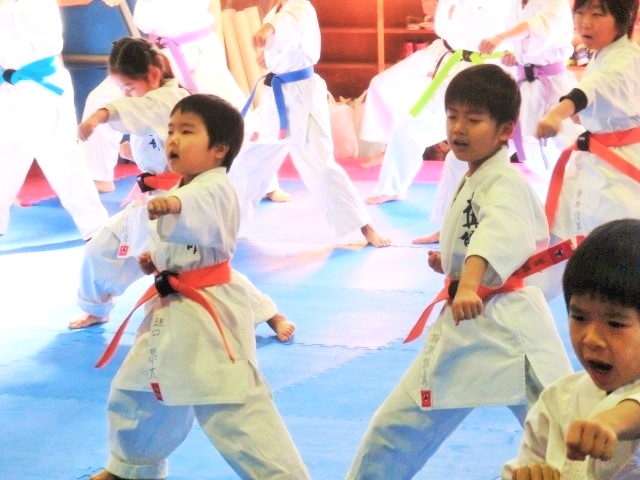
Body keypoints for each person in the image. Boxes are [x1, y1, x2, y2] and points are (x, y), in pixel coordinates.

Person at [346, 64, 573, 479]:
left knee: (565, 431)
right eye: (453, 117)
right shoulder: (474, 176)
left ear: (505, 129)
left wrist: (467, 281)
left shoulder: (504, 181)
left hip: (509, 326)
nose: (459, 129)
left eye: (474, 119)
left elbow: (495, 232)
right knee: (395, 429)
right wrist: (450, 266)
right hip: (466, 323)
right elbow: (476, 239)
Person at [88, 93, 310, 480]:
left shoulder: (213, 187)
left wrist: (170, 205)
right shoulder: (187, 184)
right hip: (171, 309)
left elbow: (194, 206)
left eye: (187, 131)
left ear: (219, 149)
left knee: (233, 408)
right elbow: (188, 238)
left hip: (209, 316)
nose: (173, 139)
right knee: (139, 390)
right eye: (171, 129)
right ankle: (129, 467)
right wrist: (157, 261)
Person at [71, 37, 296, 342]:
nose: (127, 94)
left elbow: (133, 109)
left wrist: (98, 116)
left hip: (181, 203)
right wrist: (132, 152)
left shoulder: (166, 99)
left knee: (201, 269)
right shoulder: (157, 105)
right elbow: (149, 134)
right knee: (102, 248)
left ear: (152, 75)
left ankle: (270, 314)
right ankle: (96, 308)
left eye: (129, 87)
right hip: (149, 203)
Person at [414, 0, 585, 246]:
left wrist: (501, 37)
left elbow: (538, 27)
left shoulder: (555, 2)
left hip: (554, 90)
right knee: (458, 158)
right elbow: (528, 43)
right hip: (523, 89)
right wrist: (517, 56)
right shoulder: (518, 3)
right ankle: (447, 225)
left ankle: (589, 222)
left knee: (582, 154)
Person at [82, 0, 290, 202]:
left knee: (234, 115)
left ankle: (267, 183)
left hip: (197, 50)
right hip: (158, 50)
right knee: (99, 99)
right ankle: (98, 174)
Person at [227, 0, 391, 248]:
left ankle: (365, 227)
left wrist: (266, 32)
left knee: (320, 166)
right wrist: (271, 57)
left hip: (303, 99)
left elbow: (287, 25)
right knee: (248, 156)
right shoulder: (277, 8)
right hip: (278, 95)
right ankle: (226, 223)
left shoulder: (300, 7)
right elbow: (288, 42)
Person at [503, 219, 640, 480]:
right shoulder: (557, 401)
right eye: (579, 317)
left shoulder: (623, 413)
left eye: (615, 323)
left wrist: (613, 421)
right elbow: (523, 467)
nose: (592, 338)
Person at [533, 0, 640, 301]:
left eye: (597, 14)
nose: (585, 22)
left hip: (621, 172)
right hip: (596, 163)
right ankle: (524, 301)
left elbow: (589, 90)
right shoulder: (604, 54)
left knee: (620, 250)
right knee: (560, 238)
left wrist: (556, 114)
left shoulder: (625, 60)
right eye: (580, 12)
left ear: (622, 19)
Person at [360, 0, 512, 209]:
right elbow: (444, 31)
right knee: (409, 124)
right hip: (452, 61)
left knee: (521, 140)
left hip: (483, 71)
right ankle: (391, 187)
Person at [0, 0, 108, 240]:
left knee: (64, 160)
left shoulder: (37, 6)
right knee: (5, 159)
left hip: (44, 90)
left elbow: (13, 23)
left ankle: (95, 226)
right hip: (8, 90)